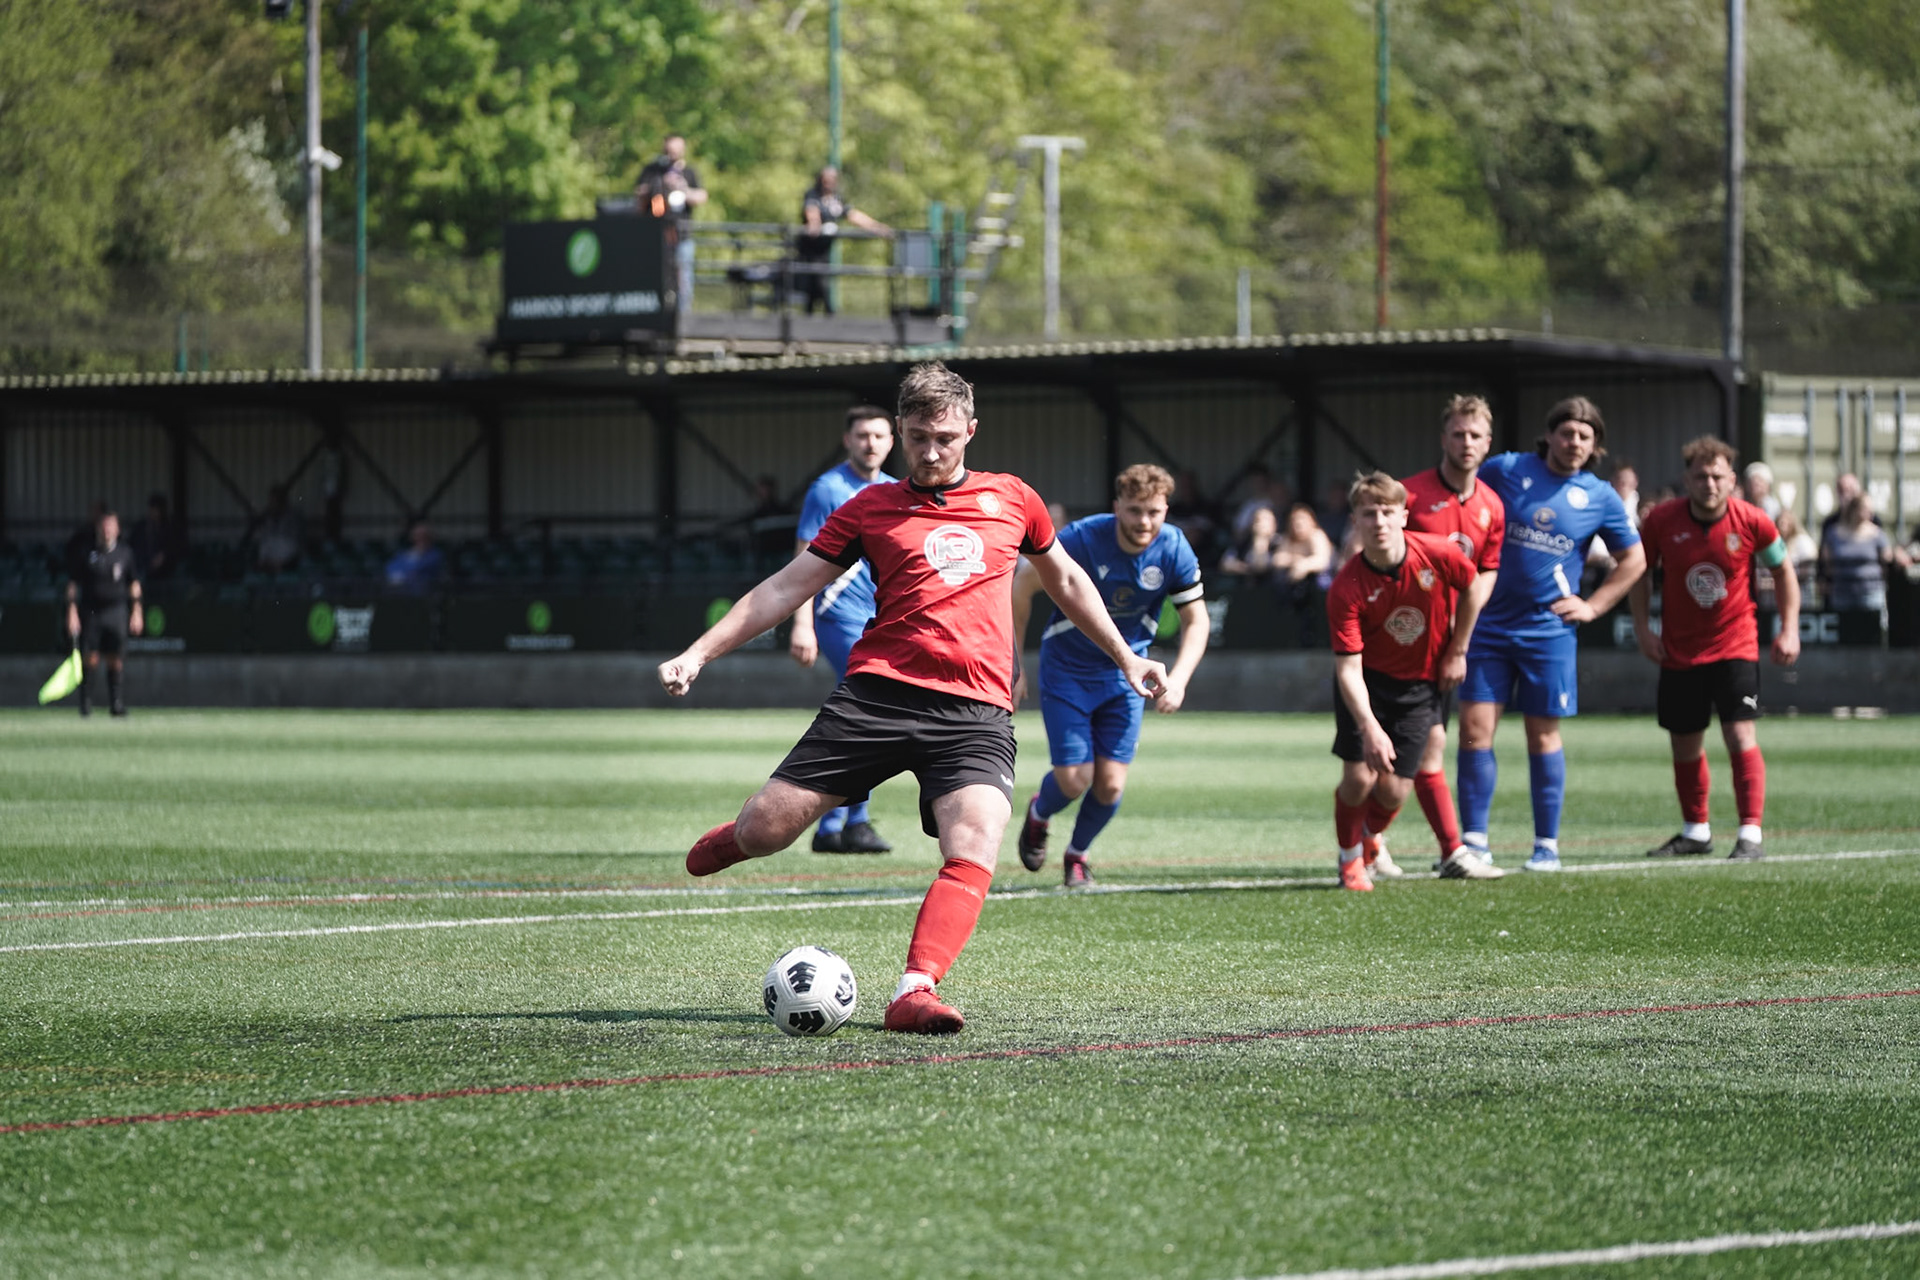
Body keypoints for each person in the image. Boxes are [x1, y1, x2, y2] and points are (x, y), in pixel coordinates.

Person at [658, 362, 1167, 1035]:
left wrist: (1128, 657)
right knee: (768, 829)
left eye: (945, 439)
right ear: (900, 431)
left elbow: (1067, 582)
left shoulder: (1014, 499)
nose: (931, 452)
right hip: (877, 696)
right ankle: (738, 838)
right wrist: (698, 653)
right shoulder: (867, 508)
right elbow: (785, 587)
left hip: (974, 711)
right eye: (919, 437)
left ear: (971, 432)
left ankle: (914, 990)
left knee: (977, 839)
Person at [1455, 397, 1645, 871]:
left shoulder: (1600, 496)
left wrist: (1593, 606)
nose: (1574, 442)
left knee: (1543, 736)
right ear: (1549, 436)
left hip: (1549, 632)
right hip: (1488, 626)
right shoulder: (1506, 470)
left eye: (1584, 436)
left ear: (1595, 445)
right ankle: (1474, 842)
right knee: (1475, 732)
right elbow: (1462, 500)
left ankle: (1546, 846)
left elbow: (1635, 560)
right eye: (1566, 433)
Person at [1008, 464, 1210, 887]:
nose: (1144, 522)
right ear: (1117, 507)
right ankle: (1039, 813)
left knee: (1111, 786)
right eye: (1134, 510)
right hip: (1067, 670)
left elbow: (1197, 620)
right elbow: (1021, 588)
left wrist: (1179, 680)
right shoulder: (1082, 539)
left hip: (1127, 677)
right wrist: (1014, 663)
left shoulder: (1174, 547)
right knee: (1074, 778)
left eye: (1154, 512)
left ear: (1166, 510)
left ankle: (1077, 856)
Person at [1630, 436, 1800, 863]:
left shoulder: (1754, 520)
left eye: (1717, 476)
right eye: (1701, 476)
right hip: (1679, 650)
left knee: (1740, 735)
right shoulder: (1661, 521)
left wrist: (1789, 628)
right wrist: (1643, 629)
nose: (1709, 484)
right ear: (1687, 479)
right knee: (1684, 743)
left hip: (1735, 646)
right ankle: (1696, 831)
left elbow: (1783, 570)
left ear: (1732, 480)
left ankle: (1750, 835)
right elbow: (1638, 573)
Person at [1326, 472, 1493, 891]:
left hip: (1420, 684)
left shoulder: (1438, 553)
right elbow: (1348, 669)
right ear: (1355, 521)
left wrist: (1457, 649)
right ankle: (1349, 859)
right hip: (1366, 685)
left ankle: (1370, 838)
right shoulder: (1346, 587)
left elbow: (1472, 587)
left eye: (1387, 512)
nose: (1379, 522)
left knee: (1396, 790)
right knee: (1360, 779)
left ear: (1404, 515)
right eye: (1369, 514)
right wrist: (1370, 728)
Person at [1393, 394, 1505, 877]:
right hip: (1400, 643)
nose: (1466, 443)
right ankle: (1378, 845)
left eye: (1475, 435)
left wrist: (1459, 642)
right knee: (1396, 749)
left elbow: (1486, 573)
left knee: (1427, 746)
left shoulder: (1492, 506)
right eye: (1458, 434)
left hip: (1446, 645)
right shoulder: (1409, 495)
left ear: (1488, 442)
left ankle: (1431, 848)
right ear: (1443, 438)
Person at [788, 406, 897, 855]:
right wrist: (802, 623)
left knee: (864, 712)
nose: (871, 443)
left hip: (879, 617)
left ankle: (834, 824)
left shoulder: (895, 490)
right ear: (847, 440)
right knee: (871, 704)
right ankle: (852, 822)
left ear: (892, 441)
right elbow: (803, 560)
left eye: (879, 435)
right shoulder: (828, 489)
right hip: (837, 616)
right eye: (862, 435)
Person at [63, 508, 144, 718]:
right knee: (90, 657)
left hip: (116, 611)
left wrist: (137, 611)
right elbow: (73, 584)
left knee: (115, 658)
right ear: (98, 528)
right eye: (104, 526)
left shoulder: (125, 553)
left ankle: (116, 704)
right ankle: (85, 704)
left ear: (117, 529)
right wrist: (71, 611)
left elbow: (133, 584)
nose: (107, 530)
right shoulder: (86, 553)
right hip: (91, 611)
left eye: (111, 526)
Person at [796, 167, 890, 316]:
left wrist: (876, 227)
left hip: (824, 249)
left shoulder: (836, 199)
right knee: (814, 282)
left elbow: (853, 215)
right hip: (809, 249)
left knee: (820, 281)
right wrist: (815, 224)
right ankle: (825, 314)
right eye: (826, 180)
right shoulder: (813, 195)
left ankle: (821, 316)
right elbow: (812, 213)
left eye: (832, 180)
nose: (829, 183)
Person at [635, 134, 708, 312]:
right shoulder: (652, 171)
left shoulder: (689, 172)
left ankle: (683, 317)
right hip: (656, 233)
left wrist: (682, 188)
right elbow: (639, 196)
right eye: (669, 151)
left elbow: (702, 196)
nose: (671, 155)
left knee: (683, 279)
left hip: (682, 234)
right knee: (654, 276)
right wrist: (655, 186)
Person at [1821, 492, 1908, 611]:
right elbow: (1826, 561)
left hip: (1871, 592)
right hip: (1842, 592)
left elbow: (1887, 558)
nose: (1870, 512)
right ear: (1854, 509)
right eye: (1865, 509)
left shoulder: (1877, 534)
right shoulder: (1834, 533)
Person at [129, 492, 183, 581]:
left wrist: (164, 555)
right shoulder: (141, 527)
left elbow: (177, 546)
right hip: (144, 569)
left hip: (166, 572)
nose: (155, 513)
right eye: (153, 509)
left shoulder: (170, 527)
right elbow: (133, 545)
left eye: (157, 510)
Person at [383, 521, 445, 595]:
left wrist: (403, 574)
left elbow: (419, 570)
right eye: (417, 535)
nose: (421, 538)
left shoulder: (435, 555)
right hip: (400, 591)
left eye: (424, 536)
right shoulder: (404, 553)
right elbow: (391, 566)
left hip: (422, 593)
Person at [254, 484, 304, 573]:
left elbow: (294, 545)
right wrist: (263, 560)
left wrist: (281, 563)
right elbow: (265, 540)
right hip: (270, 562)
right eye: (271, 501)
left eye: (274, 501)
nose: (271, 504)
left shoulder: (293, 517)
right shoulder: (269, 518)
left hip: (288, 562)